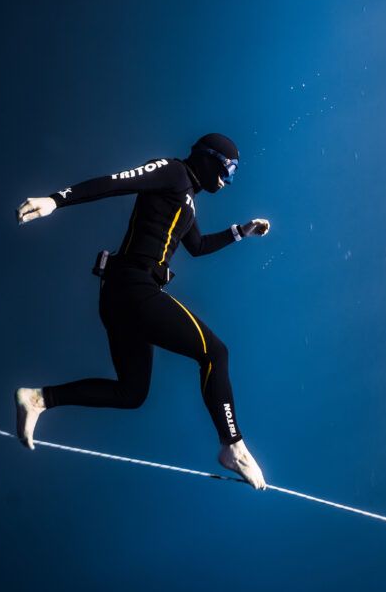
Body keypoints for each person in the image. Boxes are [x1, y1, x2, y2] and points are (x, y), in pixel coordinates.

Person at [14, 133, 270, 489]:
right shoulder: (173, 171)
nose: (228, 180)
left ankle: (40, 399)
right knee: (216, 353)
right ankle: (233, 445)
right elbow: (115, 183)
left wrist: (241, 232)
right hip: (132, 287)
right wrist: (56, 201)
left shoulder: (187, 198)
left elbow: (196, 246)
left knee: (131, 394)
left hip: (123, 299)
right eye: (228, 170)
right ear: (208, 159)